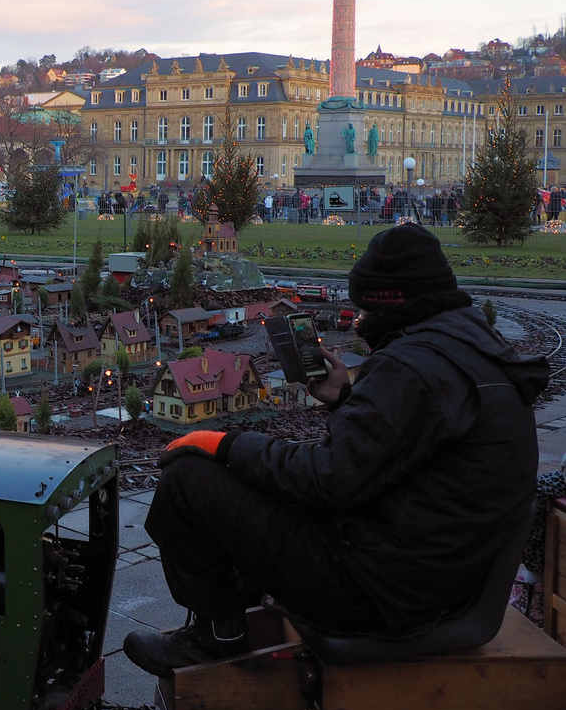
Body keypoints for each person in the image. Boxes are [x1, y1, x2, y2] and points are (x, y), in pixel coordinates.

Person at [122, 224, 548, 676]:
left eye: (364, 308)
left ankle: (215, 640)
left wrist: (225, 444)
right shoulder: (465, 348)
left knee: (189, 479)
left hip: (379, 590)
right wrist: (346, 400)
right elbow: (405, 449)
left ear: (390, 302)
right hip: (430, 575)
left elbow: (327, 480)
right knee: (255, 481)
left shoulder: (412, 366)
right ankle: (238, 616)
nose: (360, 320)